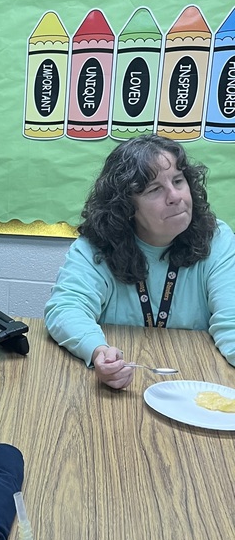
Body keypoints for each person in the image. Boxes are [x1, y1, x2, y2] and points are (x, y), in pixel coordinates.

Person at [44, 135, 235, 389]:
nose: (175, 196)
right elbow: (66, 308)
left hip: (194, 383)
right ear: (126, 207)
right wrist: (98, 351)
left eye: (178, 181)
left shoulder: (217, 238)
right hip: (124, 382)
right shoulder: (97, 243)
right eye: (155, 189)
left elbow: (231, 321)